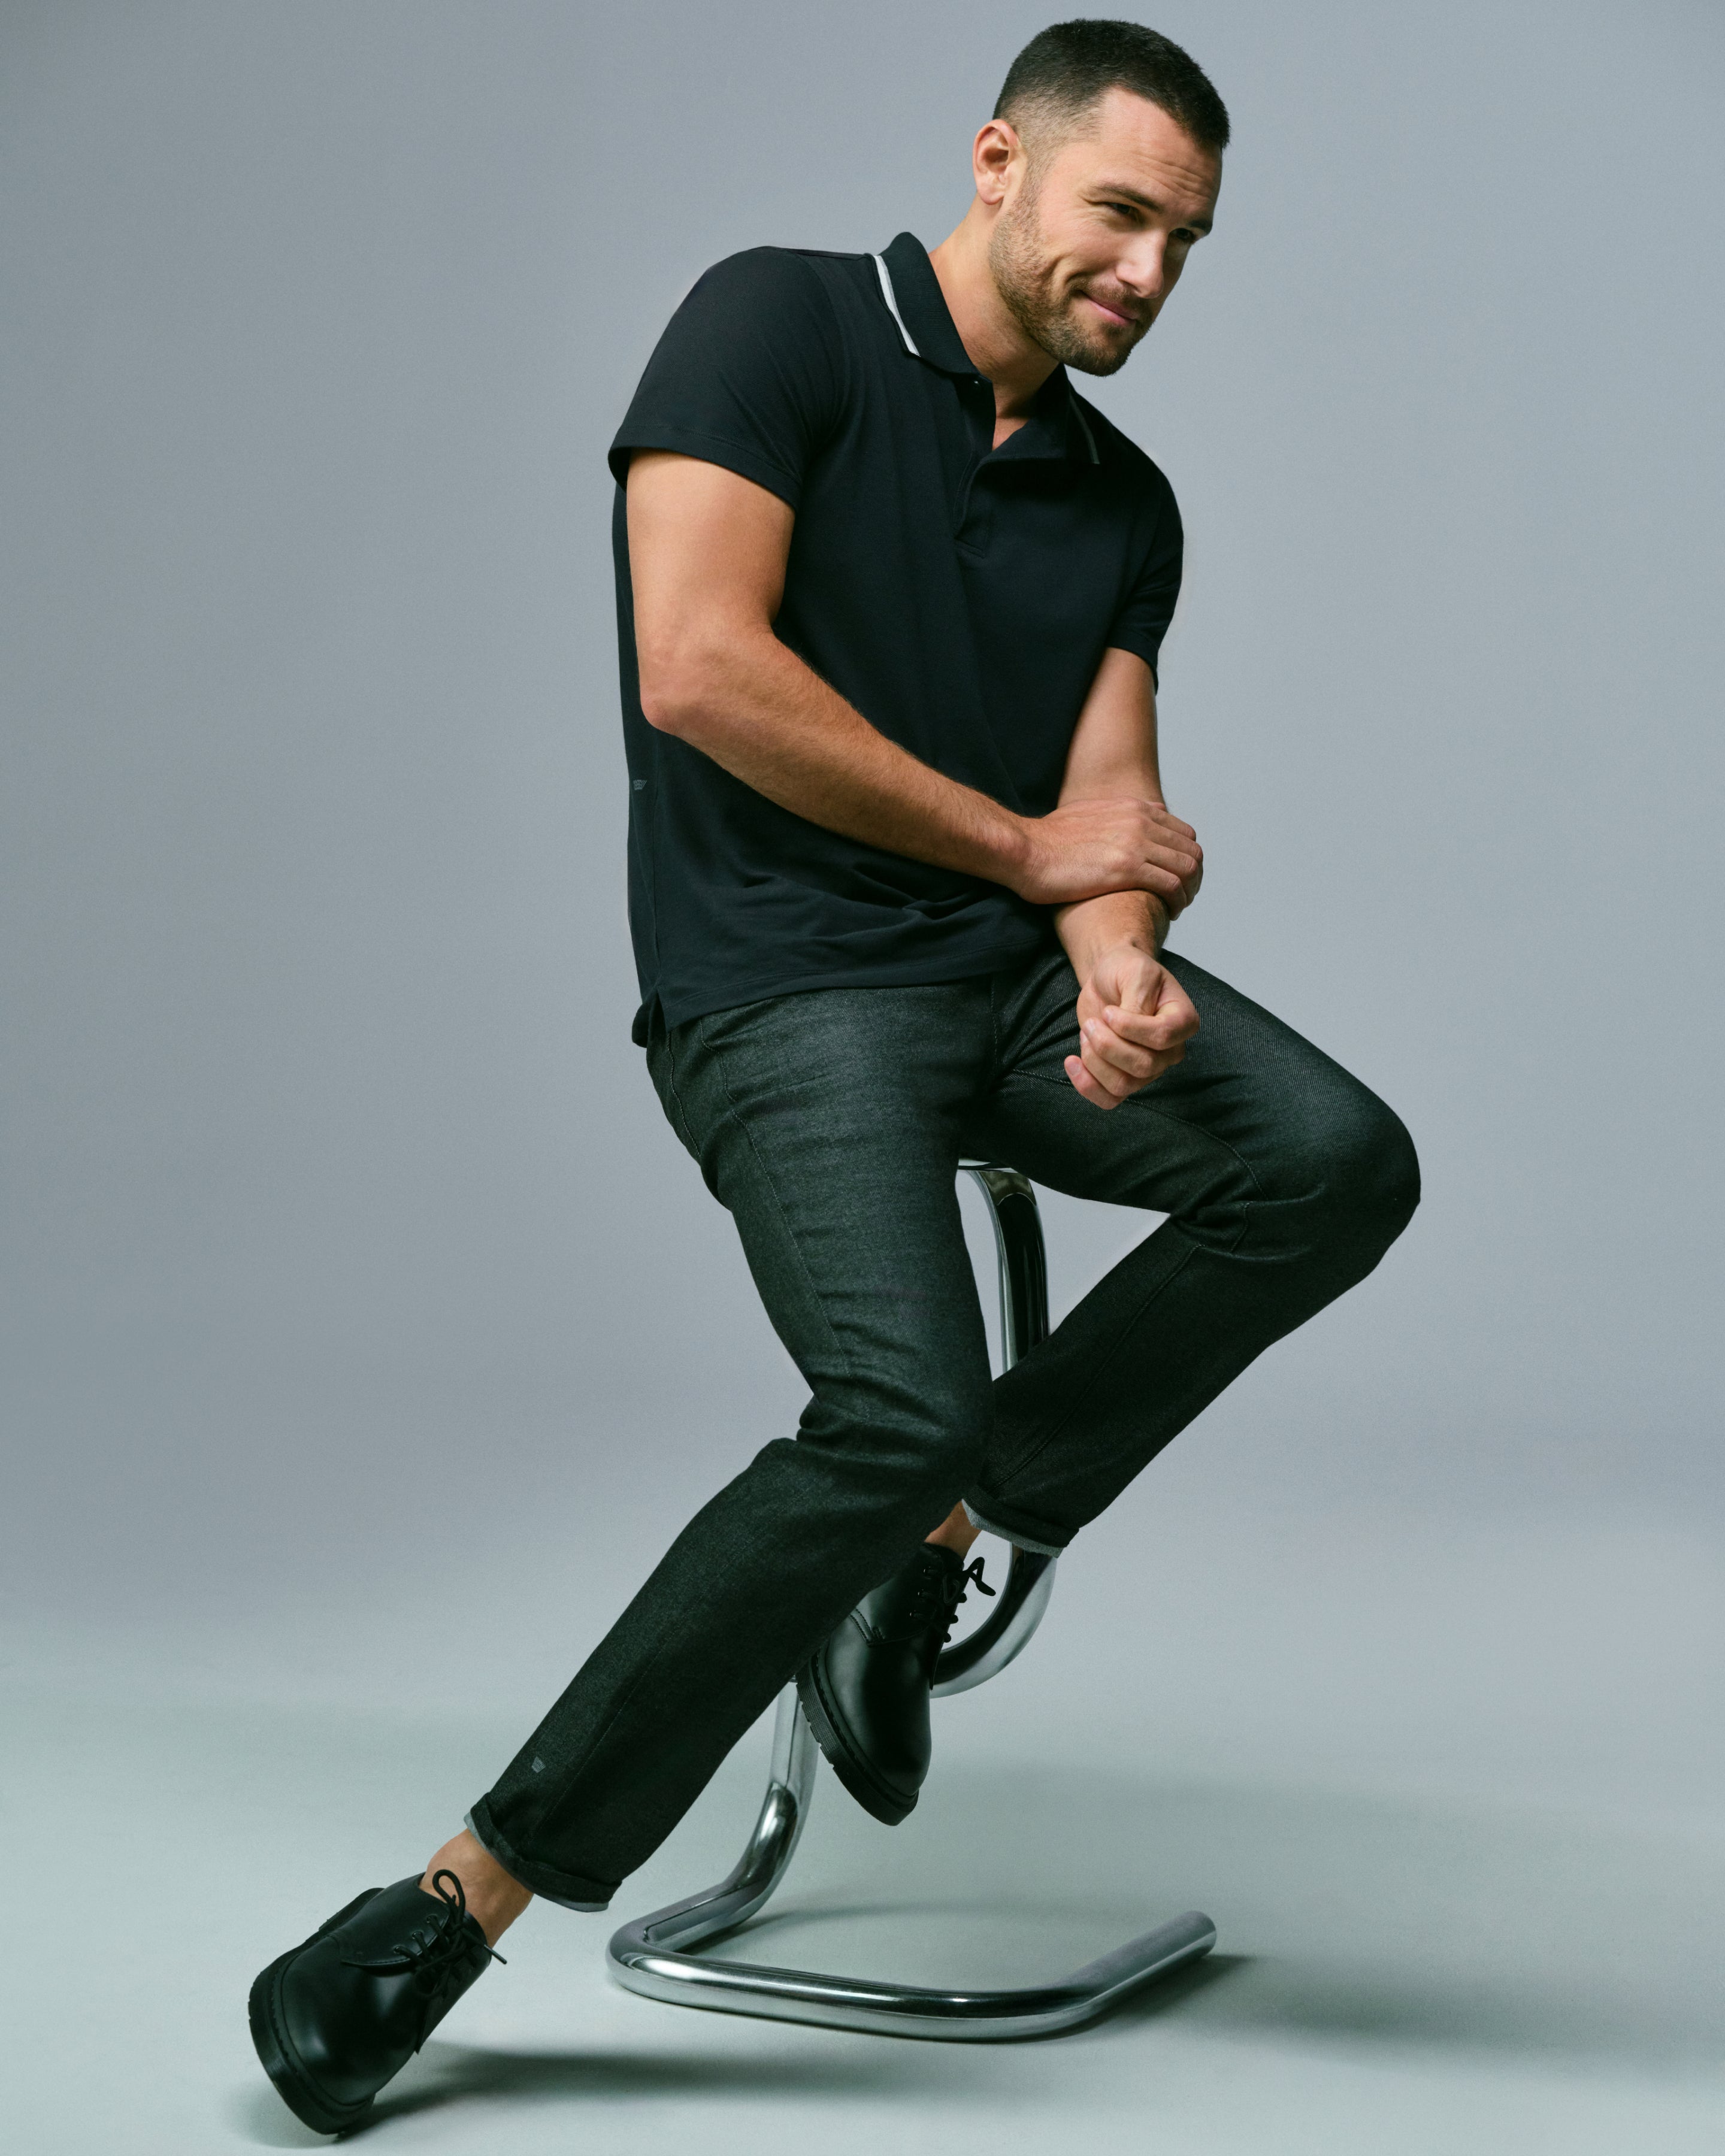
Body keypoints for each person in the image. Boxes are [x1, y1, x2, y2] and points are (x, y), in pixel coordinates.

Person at [249, 20, 1418, 2133]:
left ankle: (934, 1534)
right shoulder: (770, 321)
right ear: (1000, 163)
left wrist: (1122, 964)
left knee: (1335, 1162)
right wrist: (1038, 867)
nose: (1149, 271)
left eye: (1187, 241)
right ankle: (461, 1896)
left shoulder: (1123, 499)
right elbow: (697, 667)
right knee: (893, 1399)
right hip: (780, 993)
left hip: (1003, 988)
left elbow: (1106, 807)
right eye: (1120, 213)